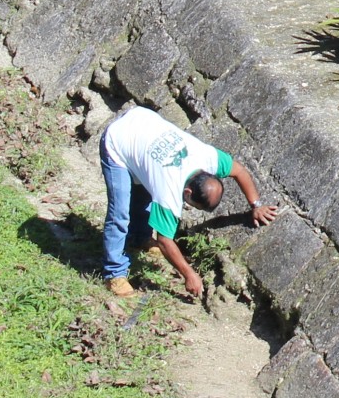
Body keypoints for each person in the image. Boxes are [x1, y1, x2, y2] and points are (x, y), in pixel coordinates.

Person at [97, 102, 277, 300]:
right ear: (188, 192)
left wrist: (256, 206)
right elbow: (165, 241)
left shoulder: (208, 157)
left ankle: (139, 238)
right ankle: (114, 273)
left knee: (145, 188)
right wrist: (190, 274)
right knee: (119, 213)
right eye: (193, 205)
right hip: (118, 141)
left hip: (143, 126)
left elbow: (240, 171)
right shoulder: (169, 190)